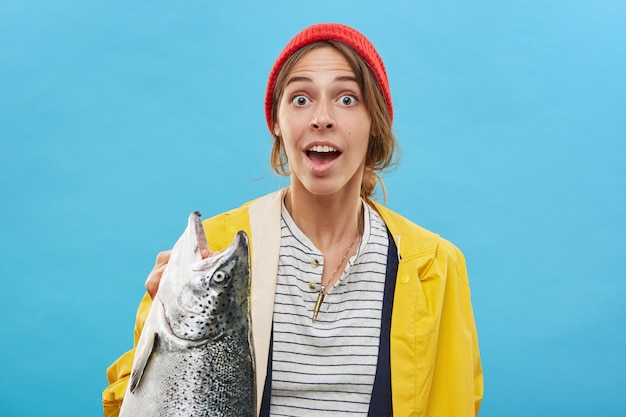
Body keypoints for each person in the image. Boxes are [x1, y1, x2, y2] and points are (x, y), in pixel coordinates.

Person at [102, 23, 483, 417]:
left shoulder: (433, 266)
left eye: (347, 98)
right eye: (300, 99)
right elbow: (146, 405)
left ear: (375, 124)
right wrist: (159, 339)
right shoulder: (215, 255)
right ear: (277, 124)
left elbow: (452, 403)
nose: (322, 117)